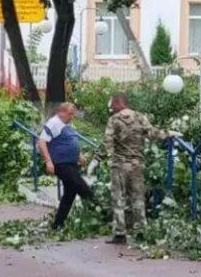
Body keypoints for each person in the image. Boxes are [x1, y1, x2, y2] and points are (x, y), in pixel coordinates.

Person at [101, 93, 170, 244]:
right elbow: (152, 133)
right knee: (138, 198)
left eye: (113, 104)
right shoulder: (140, 117)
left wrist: (100, 159)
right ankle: (141, 231)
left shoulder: (114, 120)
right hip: (137, 164)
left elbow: (107, 142)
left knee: (118, 198)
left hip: (119, 164)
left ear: (120, 103)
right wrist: (168, 134)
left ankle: (120, 233)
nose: (111, 107)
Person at [38, 102, 97, 230]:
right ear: (62, 112)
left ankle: (58, 224)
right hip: (61, 164)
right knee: (82, 187)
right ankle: (100, 211)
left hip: (71, 163)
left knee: (70, 193)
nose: (72, 116)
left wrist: (79, 155)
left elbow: (71, 140)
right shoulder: (53, 123)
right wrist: (48, 161)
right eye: (70, 114)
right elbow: (42, 142)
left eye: (73, 114)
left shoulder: (67, 125)